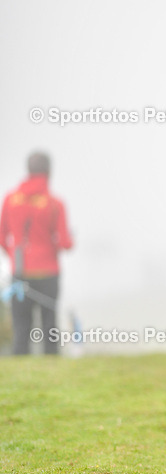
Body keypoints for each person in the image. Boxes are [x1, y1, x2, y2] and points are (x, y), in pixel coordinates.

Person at [0, 151, 73, 354]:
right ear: (49, 172)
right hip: (48, 271)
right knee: (49, 325)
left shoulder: (10, 199)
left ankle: (20, 369)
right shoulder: (54, 203)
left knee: (21, 327)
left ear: (28, 170)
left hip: (21, 271)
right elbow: (65, 242)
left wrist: (13, 253)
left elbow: (1, 236)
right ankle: (52, 368)